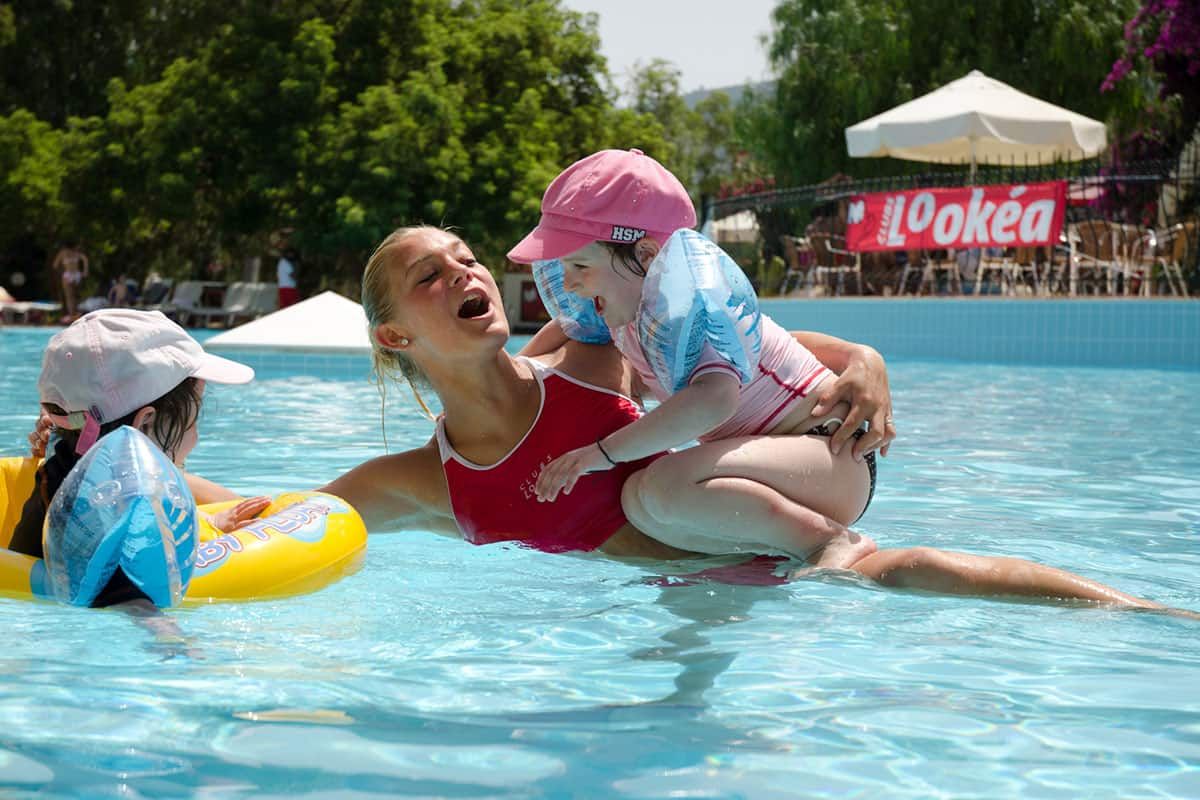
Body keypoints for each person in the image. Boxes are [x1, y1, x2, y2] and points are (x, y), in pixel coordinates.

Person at [315, 225, 1165, 610]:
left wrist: (866, 362)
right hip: (706, 595)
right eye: (431, 274)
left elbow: (748, 340)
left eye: (466, 258)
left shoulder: (583, 357)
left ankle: (1155, 617)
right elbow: (285, 519)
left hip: (779, 541)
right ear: (393, 333)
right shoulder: (431, 482)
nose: (465, 273)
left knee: (919, 570)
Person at [507, 149, 881, 562]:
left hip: (828, 452)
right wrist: (506, 377)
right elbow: (562, 331)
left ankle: (825, 543)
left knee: (663, 486)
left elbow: (715, 401)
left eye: (580, 265)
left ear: (646, 256)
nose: (570, 284)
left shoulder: (694, 311)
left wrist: (601, 452)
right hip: (782, 466)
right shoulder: (627, 306)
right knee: (639, 501)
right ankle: (761, 555)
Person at [12, 309, 268, 608]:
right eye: (194, 419)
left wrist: (210, 523)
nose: (196, 437)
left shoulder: (64, 473)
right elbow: (134, 605)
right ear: (145, 423)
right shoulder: (111, 518)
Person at [51, 241, 89, 322]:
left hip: (77, 274)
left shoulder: (77, 253)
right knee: (69, 296)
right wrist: (62, 273)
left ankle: (77, 312)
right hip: (67, 275)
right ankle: (71, 314)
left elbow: (85, 259)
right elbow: (55, 265)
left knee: (77, 295)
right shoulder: (62, 253)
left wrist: (85, 271)